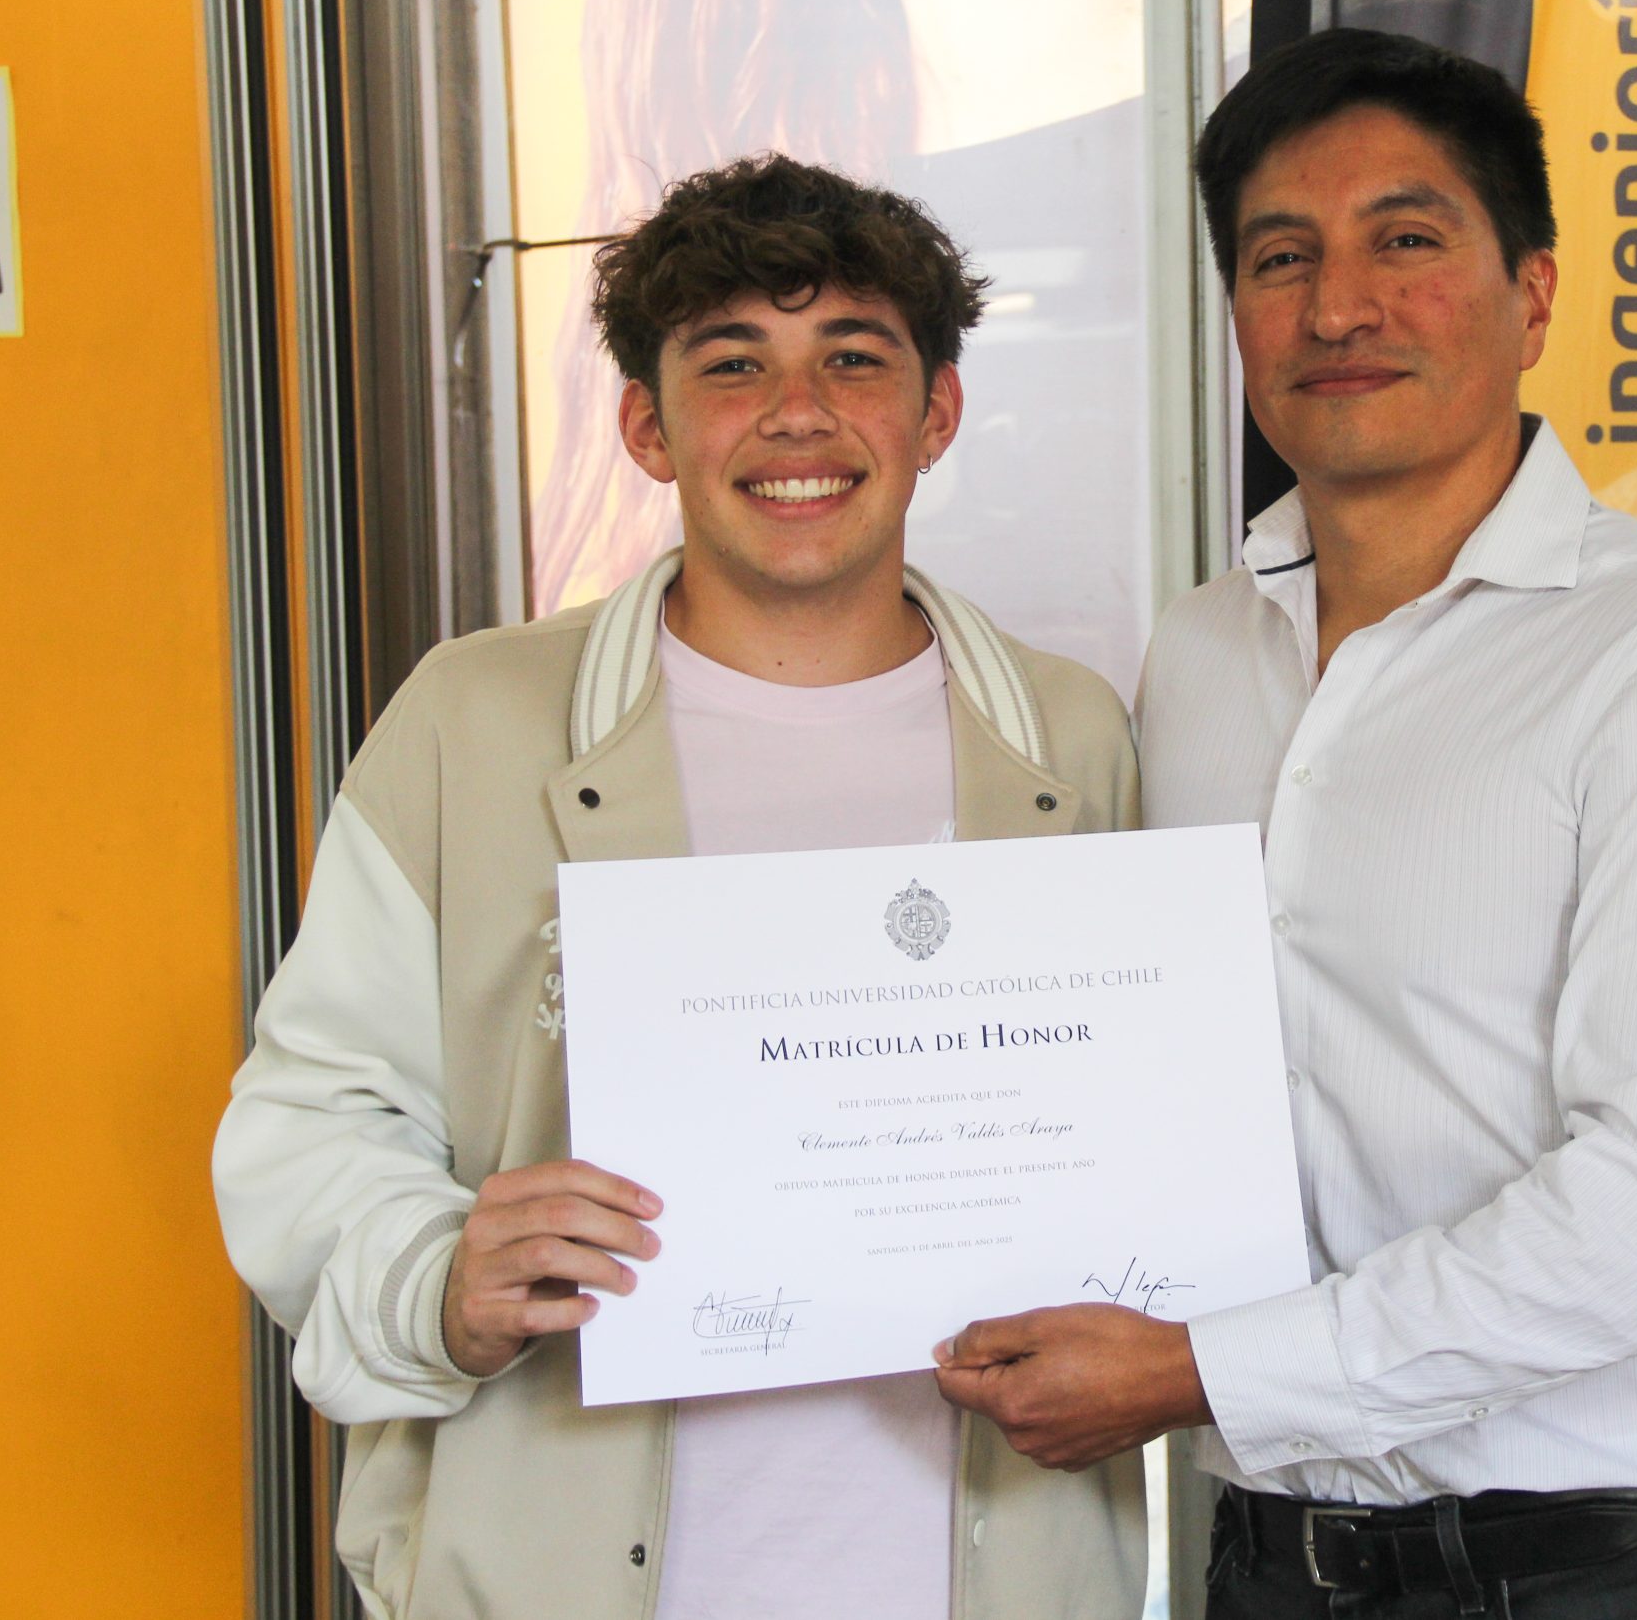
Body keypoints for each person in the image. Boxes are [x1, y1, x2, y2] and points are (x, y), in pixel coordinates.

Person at [932, 29, 1637, 1618]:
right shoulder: (1200, 652)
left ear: (1535, 297)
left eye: (1406, 242)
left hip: (1603, 1573)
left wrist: (1198, 1372)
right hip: (1269, 1559)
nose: (1338, 308)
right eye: (1281, 258)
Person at [212, 154, 1147, 1620]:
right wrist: (437, 1278)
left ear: (937, 414)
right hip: (559, 1567)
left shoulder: (1069, 736)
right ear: (647, 427)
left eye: (854, 357)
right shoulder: (474, 722)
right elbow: (311, 1113)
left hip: (993, 1567)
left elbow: (1141, 1124)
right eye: (733, 363)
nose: (798, 413)